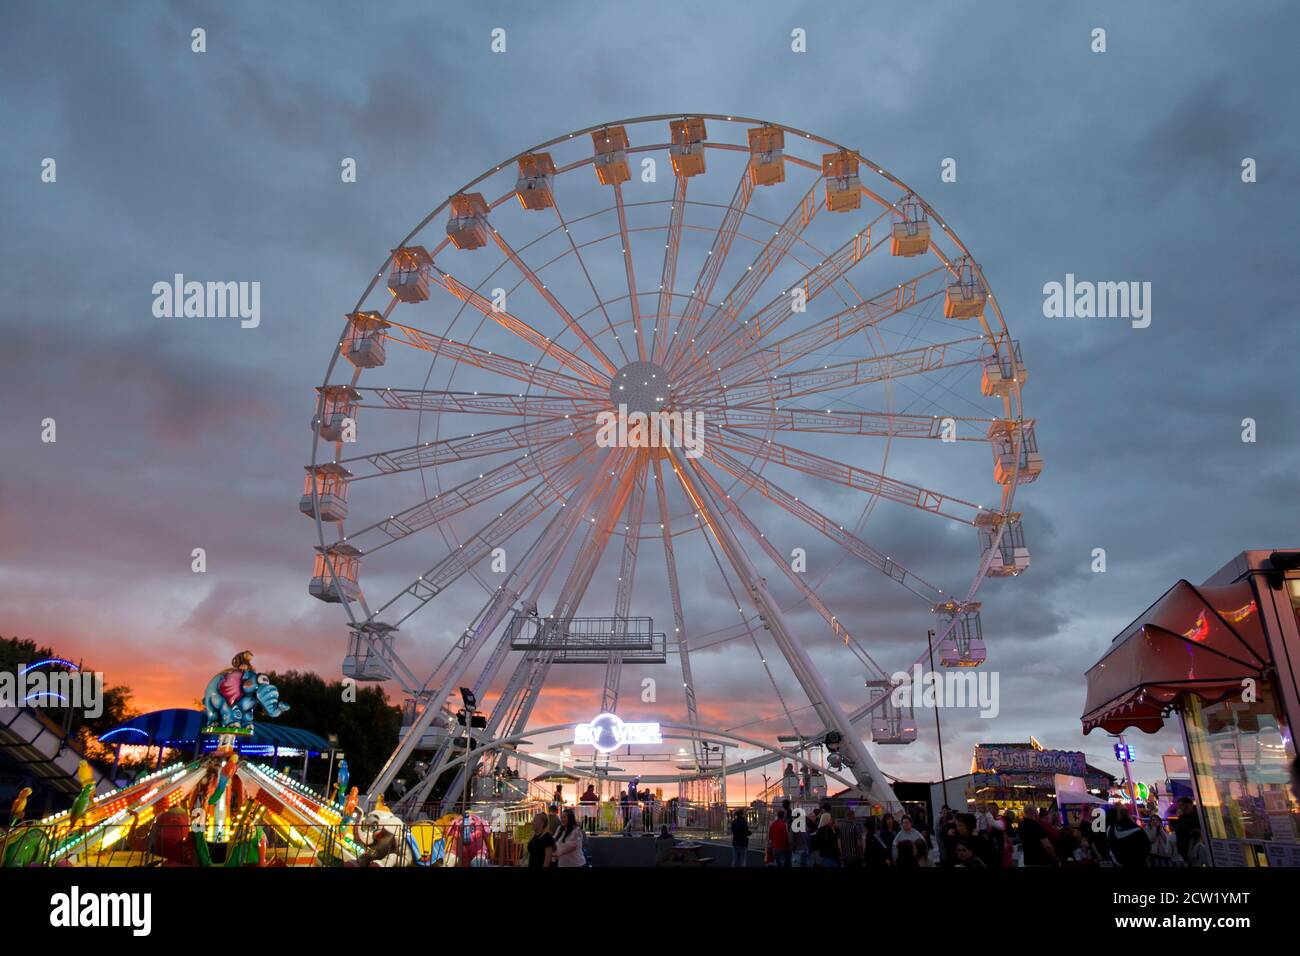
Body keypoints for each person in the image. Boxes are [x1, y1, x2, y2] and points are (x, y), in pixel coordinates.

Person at [1173, 796, 1198, 861]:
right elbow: (1179, 834)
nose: (1179, 807)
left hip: (1197, 846)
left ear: (1189, 804)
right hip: (1185, 848)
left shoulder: (1199, 814)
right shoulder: (1181, 818)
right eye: (1179, 806)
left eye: (1181, 805)